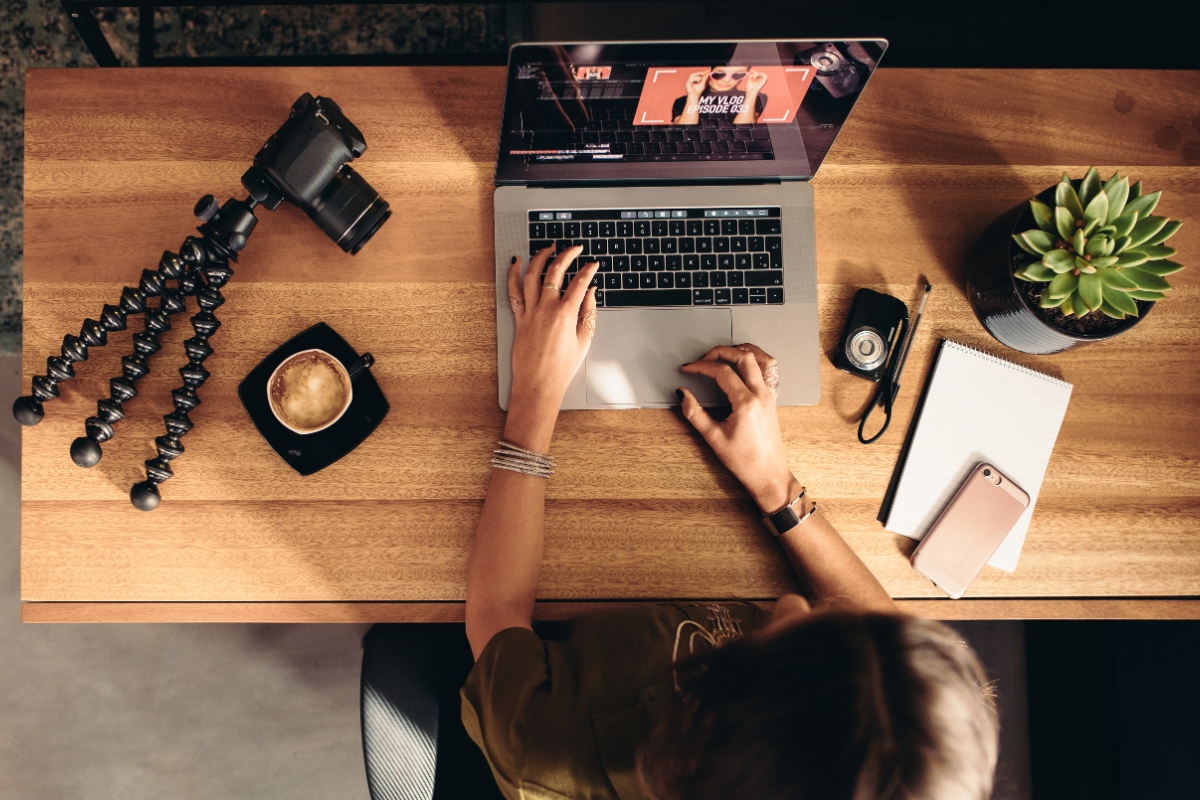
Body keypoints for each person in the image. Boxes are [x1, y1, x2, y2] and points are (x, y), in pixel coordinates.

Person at [462, 244, 999, 800]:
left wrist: (534, 395)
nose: (789, 604)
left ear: (710, 728)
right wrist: (777, 488)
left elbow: (496, 611)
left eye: (773, 639)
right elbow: (876, 627)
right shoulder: (931, 754)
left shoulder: (546, 752)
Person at [672, 66, 768, 125]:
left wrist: (751, 93)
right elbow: (682, 134)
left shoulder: (755, 98)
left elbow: (744, 131)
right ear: (709, 71)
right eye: (719, 74)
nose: (726, 80)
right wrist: (693, 95)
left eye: (737, 75)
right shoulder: (684, 101)